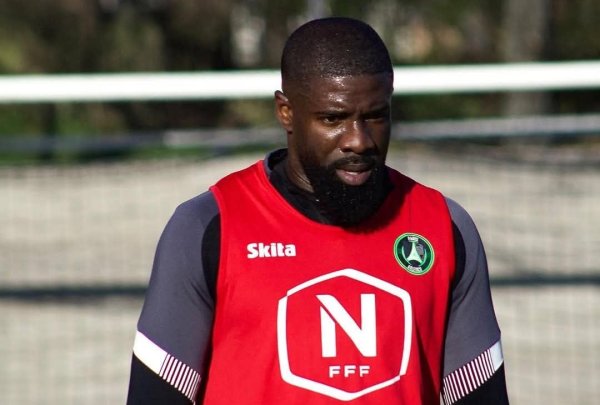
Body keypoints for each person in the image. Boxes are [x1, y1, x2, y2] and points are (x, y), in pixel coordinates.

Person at [127, 17, 509, 404]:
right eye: (333, 119)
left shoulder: (444, 228)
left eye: (375, 116)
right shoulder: (209, 228)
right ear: (286, 112)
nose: (358, 140)